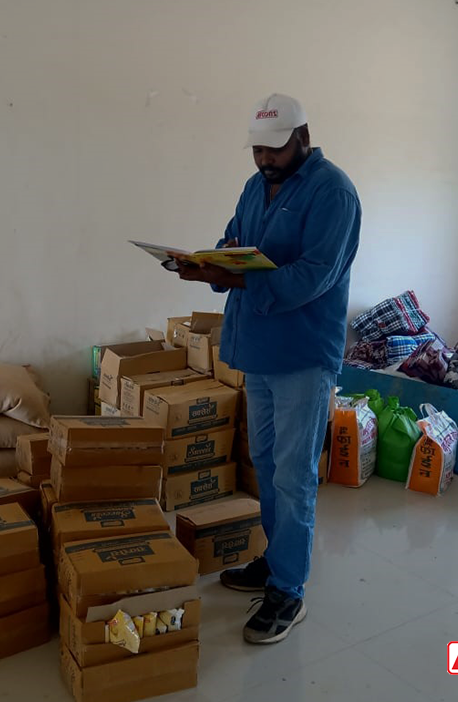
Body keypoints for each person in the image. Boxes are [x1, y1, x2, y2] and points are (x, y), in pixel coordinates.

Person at [172, 93, 361, 644]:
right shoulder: (255, 186)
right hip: (258, 346)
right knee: (264, 462)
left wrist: (244, 280)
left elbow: (315, 275)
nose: (265, 159)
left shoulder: (334, 192)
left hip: (302, 353)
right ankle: (273, 563)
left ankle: (289, 590)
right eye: (257, 149)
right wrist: (207, 263)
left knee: (294, 473)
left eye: (275, 149)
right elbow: (234, 239)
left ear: (303, 136)